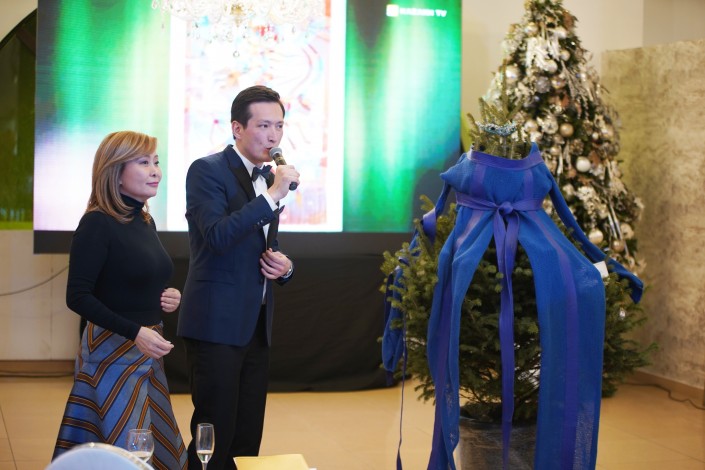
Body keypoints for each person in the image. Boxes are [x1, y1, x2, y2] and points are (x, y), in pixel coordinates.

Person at [177, 85, 300, 469]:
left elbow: (262, 245)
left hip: (255, 325)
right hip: (216, 323)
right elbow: (217, 236)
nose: (273, 136)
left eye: (279, 126)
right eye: (263, 126)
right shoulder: (207, 170)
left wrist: (285, 266)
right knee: (213, 435)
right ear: (237, 128)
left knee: (247, 436)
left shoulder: (265, 179)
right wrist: (272, 195)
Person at [52, 131, 187, 469]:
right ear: (115, 172)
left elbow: (135, 279)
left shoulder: (144, 220)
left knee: (157, 450)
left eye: (156, 162)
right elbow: (77, 296)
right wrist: (135, 332)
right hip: (110, 354)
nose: (156, 171)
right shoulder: (97, 223)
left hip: (146, 353)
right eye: (143, 162)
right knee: (124, 453)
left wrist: (168, 295)